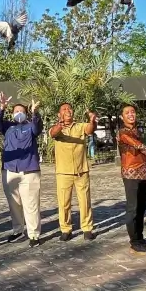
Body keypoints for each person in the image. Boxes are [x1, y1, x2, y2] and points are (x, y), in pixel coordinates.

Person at [0, 92, 43, 248]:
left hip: (29, 171)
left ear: (26, 113)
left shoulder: (30, 126)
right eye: (16, 111)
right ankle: (17, 230)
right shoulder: (7, 127)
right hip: (10, 171)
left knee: (31, 204)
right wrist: (2, 107)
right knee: (14, 204)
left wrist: (35, 113)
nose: (18, 113)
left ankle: (34, 234)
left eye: (21, 111)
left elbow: (38, 127)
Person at [49, 104, 97, 242]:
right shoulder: (56, 128)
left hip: (81, 170)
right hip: (63, 172)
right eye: (64, 109)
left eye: (69, 108)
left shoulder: (80, 126)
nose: (67, 111)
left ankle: (87, 229)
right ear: (59, 114)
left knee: (85, 201)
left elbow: (89, 130)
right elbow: (53, 133)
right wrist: (59, 125)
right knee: (64, 203)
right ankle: (66, 229)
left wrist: (92, 120)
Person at [116, 105, 146, 256]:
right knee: (133, 208)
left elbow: (141, 153)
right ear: (121, 117)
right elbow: (139, 146)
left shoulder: (139, 130)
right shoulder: (123, 132)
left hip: (143, 173)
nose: (131, 114)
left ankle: (140, 238)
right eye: (127, 113)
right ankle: (134, 242)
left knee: (142, 207)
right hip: (131, 174)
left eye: (133, 112)